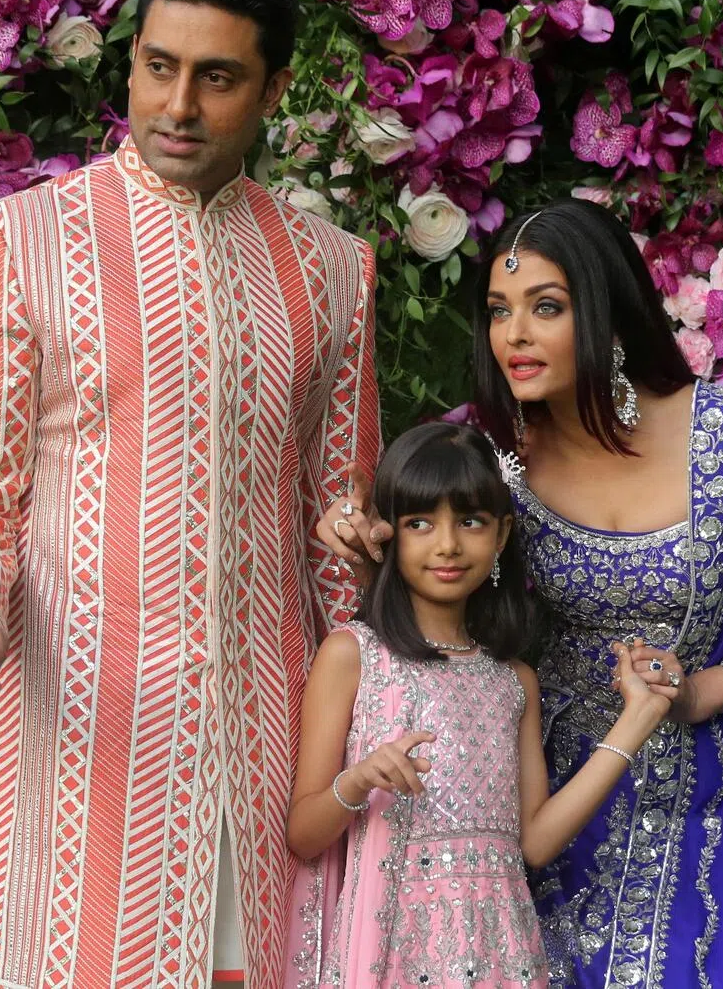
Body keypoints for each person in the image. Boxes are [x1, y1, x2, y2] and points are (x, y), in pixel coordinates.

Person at [0, 0, 380, 989]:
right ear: (130, 63)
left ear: (273, 89)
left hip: (263, 739)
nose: (177, 105)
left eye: (217, 78)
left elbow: (340, 506)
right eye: (158, 67)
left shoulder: (333, 269)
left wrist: (375, 665)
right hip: (72, 734)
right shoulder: (19, 240)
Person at [318, 199, 723, 988]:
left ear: (606, 313)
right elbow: (428, 567)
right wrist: (367, 547)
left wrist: (699, 692)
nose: (514, 335)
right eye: (499, 310)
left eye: (546, 308)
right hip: (562, 788)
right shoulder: (487, 455)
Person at [286, 422, 675, 988]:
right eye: (420, 523)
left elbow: (535, 843)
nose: (447, 544)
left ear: (501, 533)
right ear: (388, 532)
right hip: (392, 950)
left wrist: (635, 722)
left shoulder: (513, 680)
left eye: (469, 521)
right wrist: (360, 779)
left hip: (502, 952)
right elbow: (302, 833)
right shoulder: (354, 655)